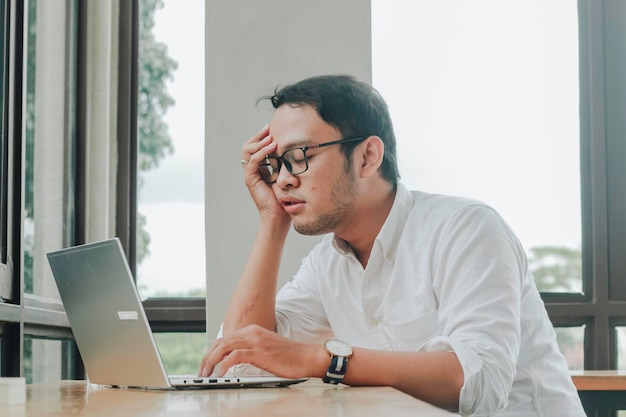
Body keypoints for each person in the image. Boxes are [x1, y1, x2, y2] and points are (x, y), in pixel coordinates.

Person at [199, 74, 585, 416]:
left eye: (299, 157)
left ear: (367, 157)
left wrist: (322, 360)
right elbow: (239, 359)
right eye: (275, 163)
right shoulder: (326, 265)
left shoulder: (466, 228)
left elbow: (477, 383)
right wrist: (272, 221)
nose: (282, 180)